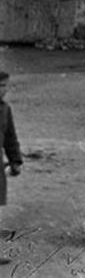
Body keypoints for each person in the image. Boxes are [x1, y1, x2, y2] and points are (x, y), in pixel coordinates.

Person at [0, 71, 22, 268]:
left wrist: (15, 161)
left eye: (5, 85)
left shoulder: (5, 110)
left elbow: (10, 138)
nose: (3, 90)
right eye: (0, 86)